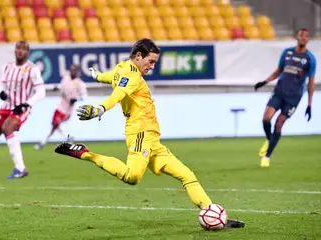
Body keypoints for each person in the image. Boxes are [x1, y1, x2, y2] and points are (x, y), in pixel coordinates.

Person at [54, 38, 244, 228]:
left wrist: (97, 76)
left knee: (186, 174)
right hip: (140, 134)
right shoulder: (132, 77)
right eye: (150, 61)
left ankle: (214, 215)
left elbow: (109, 77)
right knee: (132, 177)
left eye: (155, 62)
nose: (152, 66)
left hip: (153, 139)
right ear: (138, 56)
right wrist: (100, 109)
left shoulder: (122, 69)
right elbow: (118, 94)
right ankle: (85, 153)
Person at [0, 41, 46, 179]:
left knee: (7, 128)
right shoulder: (7, 66)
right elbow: (1, 85)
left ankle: (20, 168)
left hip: (20, 108)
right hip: (6, 107)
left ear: (28, 53)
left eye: (23, 49)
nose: (20, 51)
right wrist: (1, 93)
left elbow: (41, 91)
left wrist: (26, 104)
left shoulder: (32, 69)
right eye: (18, 48)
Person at [254, 28, 316, 168]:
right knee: (266, 119)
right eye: (301, 35)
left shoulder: (310, 59)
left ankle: (267, 156)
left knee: (279, 123)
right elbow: (278, 71)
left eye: (306, 36)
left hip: (293, 97)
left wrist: (309, 104)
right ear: (297, 37)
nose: (303, 38)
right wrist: (264, 82)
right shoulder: (287, 53)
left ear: (308, 40)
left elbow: (311, 82)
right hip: (279, 92)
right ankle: (269, 140)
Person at [34, 64, 87, 150]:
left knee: (55, 124)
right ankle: (67, 137)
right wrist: (57, 88)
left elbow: (84, 96)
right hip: (60, 106)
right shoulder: (66, 78)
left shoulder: (79, 83)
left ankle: (43, 142)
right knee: (54, 124)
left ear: (77, 72)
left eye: (74, 70)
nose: (72, 71)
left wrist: (76, 99)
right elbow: (62, 87)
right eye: (71, 69)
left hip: (67, 110)